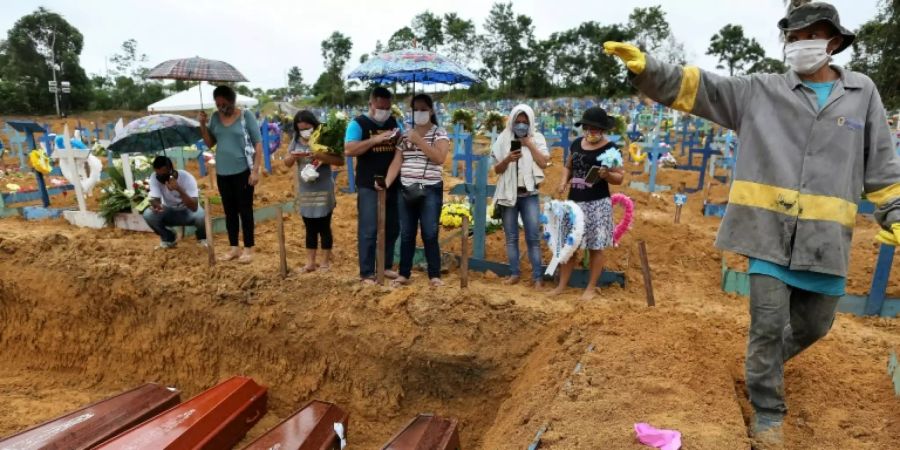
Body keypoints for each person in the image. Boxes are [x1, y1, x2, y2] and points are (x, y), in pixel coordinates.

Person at [605, 2, 900, 445]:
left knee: (815, 326)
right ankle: (767, 411)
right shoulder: (761, 90)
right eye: (794, 37)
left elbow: (881, 165)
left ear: (834, 42)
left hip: (825, 242)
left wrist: (894, 211)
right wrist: (648, 70)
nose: (801, 45)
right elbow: (701, 89)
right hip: (767, 235)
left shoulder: (863, 94)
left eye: (811, 36)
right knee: (765, 324)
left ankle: (760, 366)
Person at [552, 107, 625, 300]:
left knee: (595, 246)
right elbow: (569, 166)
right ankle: (561, 285)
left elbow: (619, 178)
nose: (591, 131)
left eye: (595, 128)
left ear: (603, 129)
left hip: (597, 203)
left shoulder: (611, 149)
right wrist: (562, 182)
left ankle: (591, 288)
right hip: (575, 202)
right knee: (570, 245)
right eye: (588, 127)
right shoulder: (576, 144)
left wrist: (607, 174)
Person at [385, 94, 450, 287]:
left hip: (430, 189)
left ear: (431, 111)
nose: (419, 113)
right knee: (407, 233)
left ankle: (434, 274)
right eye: (416, 109)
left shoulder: (439, 133)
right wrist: (386, 183)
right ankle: (404, 273)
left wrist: (419, 141)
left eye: (423, 109)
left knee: (429, 233)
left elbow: (440, 158)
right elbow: (397, 161)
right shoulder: (405, 135)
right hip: (406, 188)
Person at [199, 85, 263, 264]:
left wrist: (255, 170)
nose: (221, 108)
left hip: (243, 170)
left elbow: (258, 144)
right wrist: (203, 125)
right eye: (218, 104)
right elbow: (210, 143)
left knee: (245, 210)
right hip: (222, 172)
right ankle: (234, 247)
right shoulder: (215, 118)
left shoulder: (245, 116)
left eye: (224, 104)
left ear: (232, 101)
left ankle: (249, 248)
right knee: (230, 211)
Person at [345, 87, 402, 284]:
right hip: (368, 184)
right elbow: (349, 149)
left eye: (387, 107)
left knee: (392, 227)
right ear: (371, 104)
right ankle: (367, 272)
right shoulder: (358, 124)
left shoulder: (394, 123)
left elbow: (401, 147)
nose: (384, 111)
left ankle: (385, 265)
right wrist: (375, 139)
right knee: (369, 229)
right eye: (380, 107)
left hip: (392, 183)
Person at [491, 104, 551, 287]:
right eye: (518, 121)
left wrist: (529, 144)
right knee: (511, 237)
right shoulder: (503, 139)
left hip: (529, 195)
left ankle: (537, 277)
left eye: (525, 122)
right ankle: (514, 273)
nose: (521, 125)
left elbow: (543, 162)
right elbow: (497, 169)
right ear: (512, 120)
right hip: (509, 196)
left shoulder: (537, 138)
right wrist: (508, 159)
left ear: (530, 122)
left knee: (533, 237)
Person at [283, 110, 344, 273]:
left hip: (323, 188)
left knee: (324, 226)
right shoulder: (295, 140)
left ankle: (325, 262)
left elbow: (339, 160)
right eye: (301, 128)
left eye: (307, 127)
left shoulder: (324, 137)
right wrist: (294, 156)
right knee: (309, 227)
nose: (305, 131)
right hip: (306, 191)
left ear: (314, 125)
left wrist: (319, 155)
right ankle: (310, 262)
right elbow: (286, 163)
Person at [142, 156, 206, 249]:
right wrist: (156, 205)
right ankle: (168, 238)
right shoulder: (154, 177)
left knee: (201, 215)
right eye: (158, 174)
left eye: (163, 174)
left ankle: (202, 238)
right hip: (169, 210)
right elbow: (156, 199)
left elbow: (194, 207)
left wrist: (179, 189)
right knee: (148, 214)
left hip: (188, 211)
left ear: (171, 171)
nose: (160, 177)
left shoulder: (187, 177)